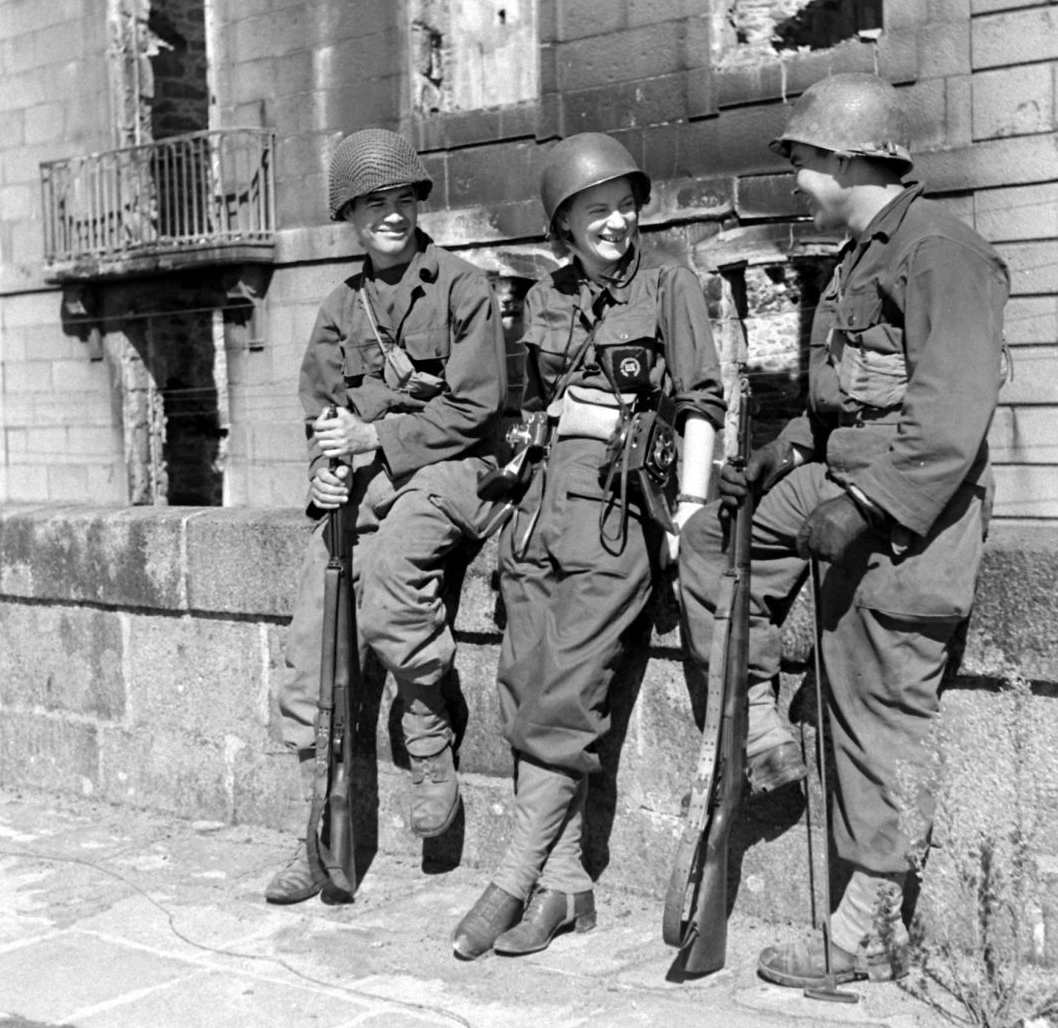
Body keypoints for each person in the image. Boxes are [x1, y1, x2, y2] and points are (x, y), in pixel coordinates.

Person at [678, 73, 1010, 987]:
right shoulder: (861, 257)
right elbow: (836, 411)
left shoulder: (942, 254)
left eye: (804, 162)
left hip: (912, 517)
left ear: (848, 158)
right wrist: (774, 458)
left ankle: (868, 929)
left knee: (877, 706)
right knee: (714, 539)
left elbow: (948, 423)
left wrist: (861, 509)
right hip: (841, 481)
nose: (796, 181)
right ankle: (757, 730)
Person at [452, 132, 725, 959]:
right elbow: (531, 406)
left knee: (568, 692)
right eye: (594, 210)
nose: (615, 222)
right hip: (539, 511)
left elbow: (701, 402)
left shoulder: (672, 284)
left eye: (623, 205)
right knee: (525, 685)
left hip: (616, 508)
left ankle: (512, 876)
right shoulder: (544, 297)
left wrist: (688, 509)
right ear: (562, 225)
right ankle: (567, 888)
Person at [265, 128, 508, 904]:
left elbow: (477, 408)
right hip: (365, 484)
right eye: (374, 203)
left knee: (397, 584)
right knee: (312, 640)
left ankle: (431, 743)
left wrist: (379, 436)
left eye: (404, 200)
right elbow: (320, 411)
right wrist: (325, 474)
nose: (392, 215)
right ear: (350, 215)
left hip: (450, 471)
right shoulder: (341, 308)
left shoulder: (464, 288)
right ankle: (317, 827)